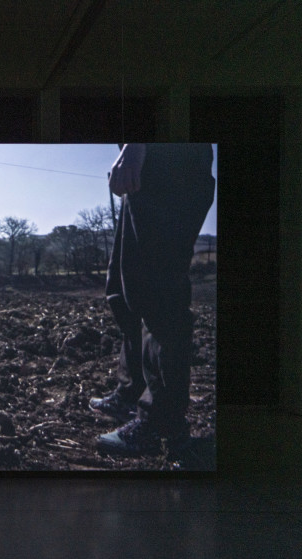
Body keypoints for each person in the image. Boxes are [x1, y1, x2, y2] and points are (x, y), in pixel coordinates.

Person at [91, 143, 215, 456]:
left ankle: (160, 422)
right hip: (150, 171)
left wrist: (135, 146)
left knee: (158, 294)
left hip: (172, 167)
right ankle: (132, 390)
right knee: (122, 287)